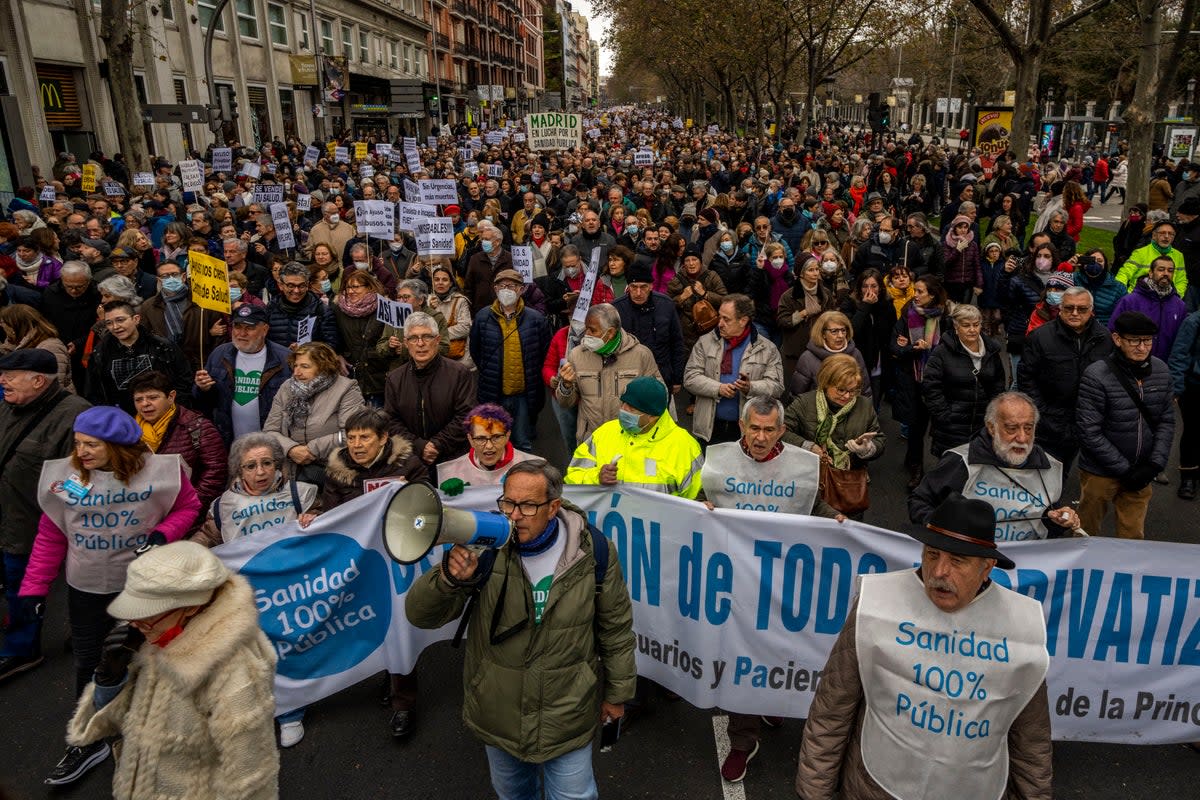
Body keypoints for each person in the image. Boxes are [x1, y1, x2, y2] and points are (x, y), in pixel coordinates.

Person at [796, 494, 1052, 800]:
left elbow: (1031, 739)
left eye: (957, 561)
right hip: (875, 786)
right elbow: (830, 713)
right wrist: (814, 793)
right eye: (932, 555)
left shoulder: (1020, 626)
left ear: (987, 568)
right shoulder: (877, 604)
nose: (940, 572)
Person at [406, 460, 636, 800]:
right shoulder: (485, 549)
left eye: (528, 505)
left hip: (567, 713)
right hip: (500, 713)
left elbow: (615, 628)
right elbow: (420, 615)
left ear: (554, 506)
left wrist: (617, 695)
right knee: (514, 794)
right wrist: (449, 579)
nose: (514, 515)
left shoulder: (594, 552)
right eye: (508, 502)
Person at [21, 405, 200, 785]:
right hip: (86, 588)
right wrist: (34, 588)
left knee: (149, 659)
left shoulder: (160, 473)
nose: (80, 452)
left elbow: (189, 507)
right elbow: (52, 533)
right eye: (78, 443)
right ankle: (91, 738)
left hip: (143, 587)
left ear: (117, 447)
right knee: (89, 662)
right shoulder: (68, 477)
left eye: (91, 445)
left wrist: (162, 534)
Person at [700, 395, 843, 782]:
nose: (761, 437)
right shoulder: (719, 463)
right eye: (754, 428)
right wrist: (703, 510)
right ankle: (743, 741)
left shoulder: (799, 469)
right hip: (735, 582)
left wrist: (839, 521)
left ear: (782, 431)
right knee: (740, 658)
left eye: (769, 429)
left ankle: (774, 697)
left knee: (780, 648)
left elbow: (815, 508)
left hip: (783, 583)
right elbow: (701, 503)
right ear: (743, 427)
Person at [65, 541, 278, 799]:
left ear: (190, 606)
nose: (135, 622)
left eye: (148, 611)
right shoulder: (150, 642)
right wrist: (110, 679)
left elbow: (251, 777)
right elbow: (118, 723)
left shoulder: (234, 671)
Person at [317, 407, 428, 739]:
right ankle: (388, 671)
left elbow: (427, 511)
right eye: (351, 438)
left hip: (400, 561)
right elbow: (332, 519)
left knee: (399, 630)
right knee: (373, 625)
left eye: (365, 437)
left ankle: (403, 704)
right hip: (361, 563)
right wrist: (315, 518)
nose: (356, 444)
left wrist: (408, 496)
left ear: (384, 439)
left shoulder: (409, 466)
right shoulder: (337, 472)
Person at [0, 349, 91, 683]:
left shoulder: (76, 416)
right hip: (11, 516)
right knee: (17, 585)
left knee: (30, 585)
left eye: (10, 375)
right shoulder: (9, 407)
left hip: (42, 525)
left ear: (38, 380)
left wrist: (59, 510)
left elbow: (86, 476)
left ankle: (22, 649)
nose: (2, 381)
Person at [909, 392, 1081, 540]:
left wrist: (1058, 521)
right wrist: (944, 533)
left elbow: (1047, 526)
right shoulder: (962, 461)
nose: (1022, 438)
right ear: (992, 428)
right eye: (1012, 428)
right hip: (969, 561)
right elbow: (920, 501)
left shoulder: (1049, 467)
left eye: (1028, 428)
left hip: (1023, 567)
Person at [1076, 311, 1176, 539]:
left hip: (1142, 471)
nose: (1142, 347)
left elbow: (1166, 421)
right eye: (1134, 341)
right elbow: (1089, 432)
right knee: (1085, 533)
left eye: (1148, 341)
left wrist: (1154, 464)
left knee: (1133, 538)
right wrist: (1125, 469)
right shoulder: (1096, 375)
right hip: (1099, 472)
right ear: (1117, 339)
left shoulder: (1161, 370)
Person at [1018, 286, 1114, 471]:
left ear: (1091, 310)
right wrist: (1042, 412)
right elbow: (1026, 376)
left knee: (1071, 468)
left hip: (1088, 419)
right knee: (1045, 471)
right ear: (1060, 308)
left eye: (1082, 309)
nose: (1075, 313)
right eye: (1069, 308)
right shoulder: (1040, 337)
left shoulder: (1105, 338)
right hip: (1050, 422)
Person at [566, 376, 703, 499]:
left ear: (653, 416)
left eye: (631, 408)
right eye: (623, 403)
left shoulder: (684, 446)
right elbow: (572, 477)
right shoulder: (604, 433)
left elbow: (697, 501)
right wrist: (596, 477)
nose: (623, 410)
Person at [783, 354, 886, 509]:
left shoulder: (864, 405)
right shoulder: (804, 403)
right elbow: (781, 431)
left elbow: (879, 438)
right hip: (809, 482)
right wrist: (808, 446)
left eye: (853, 391)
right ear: (825, 383)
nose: (847, 396)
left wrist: (868, 448)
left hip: (849, 486)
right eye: (841, 390)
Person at [684, 294, 785, 447]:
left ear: (743, 320)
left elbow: (777, 387)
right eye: (720, 317)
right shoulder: (704, 342)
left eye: (726, 319)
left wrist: (751, 387)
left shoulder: (767, 349)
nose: (720, 323)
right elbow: (690, 378)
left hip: (747, 433)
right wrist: (718, 388)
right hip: (709, 430)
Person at [555, 303, 663, 444]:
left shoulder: (641, 355)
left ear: (610, 332)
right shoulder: (576, 355)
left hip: (630, 439)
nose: (586, 335)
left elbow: (659, 397)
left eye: (592, 331)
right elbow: (565, 403)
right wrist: (566, 386)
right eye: (585, 328)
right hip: (591, 439)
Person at [469, 269, 552, 451]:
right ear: (495, 289)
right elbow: (475, 350)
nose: (507, 290)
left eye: (512, 286)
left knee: (522, 442)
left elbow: (545, 353)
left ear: (521, 290)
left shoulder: (536, 319)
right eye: (502, 286)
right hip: (494, 391)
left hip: (523, 392)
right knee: (494, 441)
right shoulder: (483, 317)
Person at [384, 311, 476, 471]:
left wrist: (437, 444)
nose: (420, 343)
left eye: (427, 337)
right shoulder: (395, 378)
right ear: (406, 343)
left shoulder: (460, 373)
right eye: (413, 338)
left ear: (438, 340)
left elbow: (466, 416)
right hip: (411, 462)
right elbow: (391, 421)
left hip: (453, 460)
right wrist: (419, 446)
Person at [130, 370, 226, 520]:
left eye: (153, 397)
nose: (145, 404)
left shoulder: (197, 427)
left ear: (171, 397)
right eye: (138, 399)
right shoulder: (128, 432)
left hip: (187, 516)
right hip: (143, 516)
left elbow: (216, 471)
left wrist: (189, 506)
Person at [263, 341, 365, 483]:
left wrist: (311, 449)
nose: (297, 373)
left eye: (305, 367)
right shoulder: (287, 388)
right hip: (292, 471)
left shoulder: (346, 388)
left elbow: (352, 434)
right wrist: (292, 449)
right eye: (296, 366)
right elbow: (270, 430)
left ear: (324, 367)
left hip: (333, 471)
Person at [194, 303, 292, 445]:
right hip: (229, 442)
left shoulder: (285, 359)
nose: (242, 333)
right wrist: (203, 389)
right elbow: (204, 404)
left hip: (272, 443)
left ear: (265, 330)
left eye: (250, 328)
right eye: (237, 326)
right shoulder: (219, 354)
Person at [921, 303, 1006, 457]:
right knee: (951, 473)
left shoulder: (992, 351)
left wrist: (994, 413)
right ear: (956, 327)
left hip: (983, 426)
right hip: (951, 429)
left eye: (976, 325)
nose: (972, 330)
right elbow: (931, 387)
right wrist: (944, 415)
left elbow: (998, 384)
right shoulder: (941, 353)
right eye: (966, 325)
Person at [890, 275, 949, 488]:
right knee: (916, 427)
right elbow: (895, 347)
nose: (915, 295)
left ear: (932, 295)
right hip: (913, 380)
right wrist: (912, 348)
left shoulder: (947, 317)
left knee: (941, 426)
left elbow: (952, 347)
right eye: (915, 291)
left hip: (940, 381)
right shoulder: (907, 314)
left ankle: (945, 470)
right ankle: (916, 468)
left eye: (920, 292)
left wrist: (934, 350)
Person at [85, 299, 193, 414]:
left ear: (136, 319)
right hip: (122, 419)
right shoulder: (100, 353)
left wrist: (174, 411)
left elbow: (184, 381)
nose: (115, 327)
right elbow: (93, 392)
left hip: (164, 416)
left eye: (120, 320)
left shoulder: (162, 346)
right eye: (109, 323)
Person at [612, 259, 687, 396]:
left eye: (643, 287)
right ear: (628, 287)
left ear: (651, 286)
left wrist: (677, 378)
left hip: (660, 375)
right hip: (627, 376)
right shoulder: (616, 309)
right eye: (634, 287)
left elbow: (677, 343)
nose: (638, 293)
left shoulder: (666, 305)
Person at [137, 260, 227, 372]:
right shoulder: (148, 306)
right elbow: (144, 337)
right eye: (165, 276)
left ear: (183, 277)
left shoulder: (202, 301)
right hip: (166, 366)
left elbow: (220, 336)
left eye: (174, 274)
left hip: (200, 364)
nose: (170, 279)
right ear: (159, 280)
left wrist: (212, 363)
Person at [436, 403, 539, 494]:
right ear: (470, 439)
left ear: (507, 436)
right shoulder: (452, 471)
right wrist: (446, 496)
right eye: (481, 438)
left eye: (496, 437)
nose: (489, 446)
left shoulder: (535, 467)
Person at [1108, 255, 1188, 363]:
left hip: (1165, 368)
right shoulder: (1130, 301)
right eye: (1161, 269)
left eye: (1170, 271)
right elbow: (1113, 332)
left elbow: (1182, 343)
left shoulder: (1180, 306)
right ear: (1150, 273)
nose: (1166, 274)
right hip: (1131, 365)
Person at [788, 310, 871, 398]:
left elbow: (865, 390)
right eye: (834, 331)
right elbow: (797, 395)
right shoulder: (808, 358)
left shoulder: (855, 354)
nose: (841, 335)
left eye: (843, 330)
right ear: (823, 334)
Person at [0, 304, 74, 393]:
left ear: (14, 325)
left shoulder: (51, 347)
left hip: (52, 404)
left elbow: (53, 385)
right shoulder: (17, 343)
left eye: (3, 323)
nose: (1, 326)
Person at [265, 262, 339, 350]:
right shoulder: (271, 308)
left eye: (301, 285)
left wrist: (305, 352)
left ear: (307, 285)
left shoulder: (321, 310)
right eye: (291, 285)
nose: (296, 291)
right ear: (281, 285)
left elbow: (331, 346)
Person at [1169, 308, 1200, 500]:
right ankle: (1188, 477)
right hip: (1195, 387)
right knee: (1193, 433)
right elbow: (1179, 353)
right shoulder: (1194, 321)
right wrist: (1177, 388)